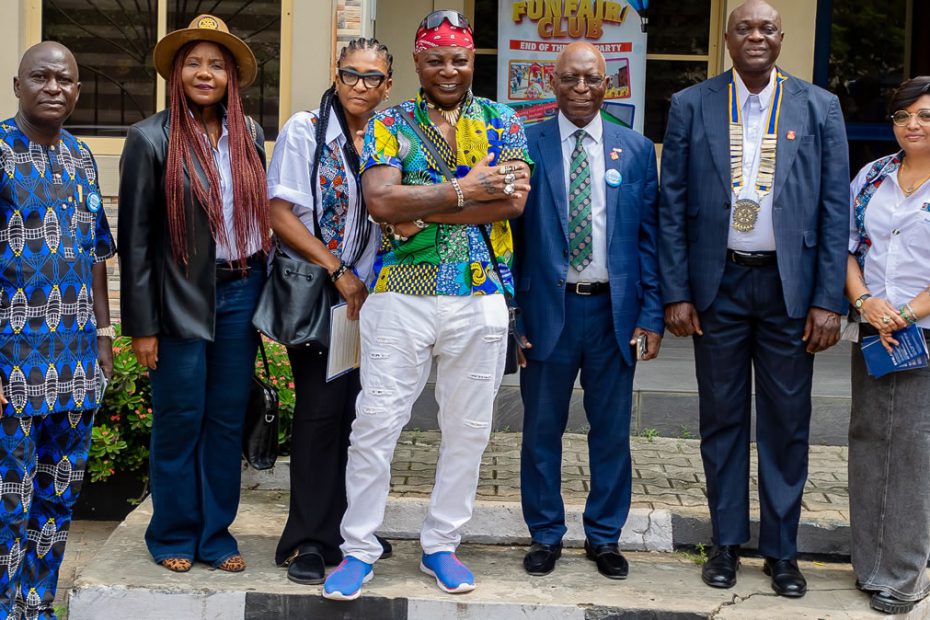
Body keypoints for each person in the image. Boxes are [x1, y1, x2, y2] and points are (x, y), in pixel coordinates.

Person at [322, 10, 532, 601]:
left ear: (472, 61)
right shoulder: (389, 122)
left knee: (468, 428)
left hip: (480, 295)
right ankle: (358, 548)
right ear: (417, 62)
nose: (448, 69)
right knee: (375, 423)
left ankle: (441, 543)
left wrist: (422, 205)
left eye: (458, 59)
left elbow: (512, 204)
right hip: (400, 296)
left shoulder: (504, 121)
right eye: (435, 59)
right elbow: (380, 202)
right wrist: (468, 189)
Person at [658, 0, 849, 597]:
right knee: (722, 418)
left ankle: (782, 552)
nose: (756, 36)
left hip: (790, 290)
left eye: (767, 28)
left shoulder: (819, 106)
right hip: (717, 286)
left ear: (781, 37)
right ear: (728, 38)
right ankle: (724, 543)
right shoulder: (692, 104)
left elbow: (835, 207)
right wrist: (676, 291)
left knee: (788, 422)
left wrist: (829, 299)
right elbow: (671, 203)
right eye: (745, 28)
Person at [118, 15, 269, 573]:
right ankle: (173, 534)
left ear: (232, 77)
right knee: (180, 417)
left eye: (216, 65)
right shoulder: (149, 138)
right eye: (194, 63)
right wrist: (143, 326)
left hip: (240, 290)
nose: (205, 73)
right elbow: (135, 242)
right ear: (176, 72)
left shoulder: (249, 134)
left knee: (225, 419)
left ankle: (215, 534)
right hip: (178, 297)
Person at [513, 42, 662, 580]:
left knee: (611, 432)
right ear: (552, 82)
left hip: (612, 314)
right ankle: (545, 534)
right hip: (545, 313)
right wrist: (513, 315)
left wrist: (650, 314)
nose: (581, 88)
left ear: (608, 85)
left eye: (592, 79)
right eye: (571, 78)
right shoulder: (524, 144)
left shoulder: (636, 149)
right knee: (540, 431)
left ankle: (604, 537)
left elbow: (649, 238)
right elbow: (507, 238)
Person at [267, 37, 394, 585]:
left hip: (379, 299)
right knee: (320, 417)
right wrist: (338, 269)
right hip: (325, 295)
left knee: (361, 418)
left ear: (388, 85)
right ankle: (308, 540)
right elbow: (280, 213)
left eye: (372, 77)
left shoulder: (392, 136)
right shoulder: (307, 130)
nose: (360, 86)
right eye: (351, 74)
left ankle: (350, 531)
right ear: (336, 76)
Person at [0, 41, 115, 618]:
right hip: (12, 366)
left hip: (74, 364)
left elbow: (96, 255)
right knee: (8, 504)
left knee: (56, 498)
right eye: (40, 77)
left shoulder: (81, 156)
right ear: (17, 85)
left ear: (77, 90)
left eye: (64, 80)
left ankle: (38, 607)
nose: (53, 88)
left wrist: (104, 336)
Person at [845, 76, 930, 616]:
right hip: (874, 330)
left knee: (914, 452)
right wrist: (865, 303)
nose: (913, 125)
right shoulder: (872, 175)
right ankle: (870, 566)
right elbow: (846, 247)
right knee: (869, 440)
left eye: (925, 115)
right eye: (903, 116)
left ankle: (905, 576)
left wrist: (905, 312)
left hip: (922, 332)